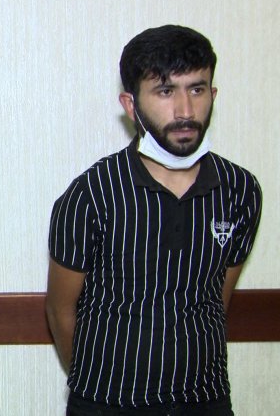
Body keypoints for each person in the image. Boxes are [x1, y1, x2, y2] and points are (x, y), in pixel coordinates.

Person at [46, 25, 262, 415]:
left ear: (212, 95)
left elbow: (217, 299)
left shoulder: (239, 190)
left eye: (196, 89)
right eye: (165, 91)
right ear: (131, 105)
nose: (185, 111)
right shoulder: (92, 194)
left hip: (205, 400)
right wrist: (98, 384)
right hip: (106, 404)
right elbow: (61, 309)